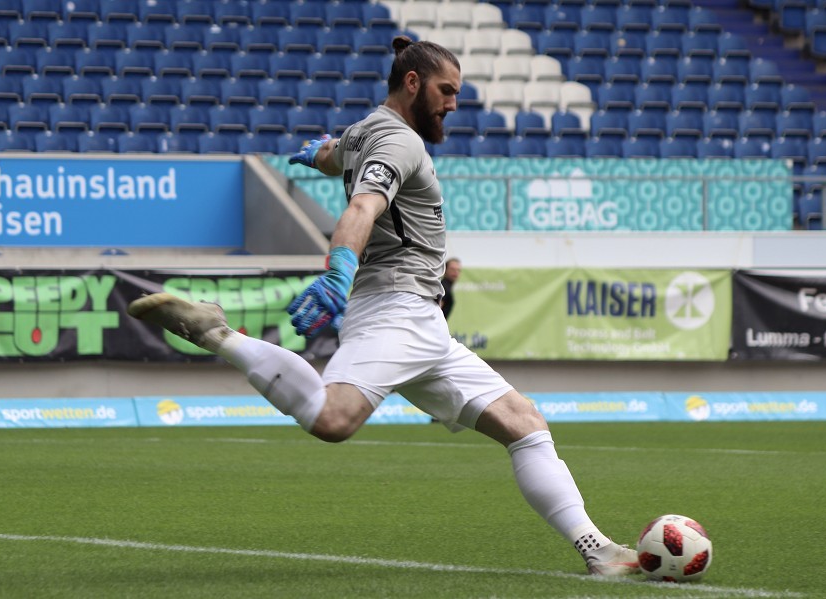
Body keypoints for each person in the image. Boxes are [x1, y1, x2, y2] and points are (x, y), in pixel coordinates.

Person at [127, 36, 638, 577]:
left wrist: (318, 153)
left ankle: (597, 549)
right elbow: (364, 205)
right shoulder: (400, 142)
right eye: (446, 91)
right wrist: (338, 270)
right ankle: (216, 333)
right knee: (333, 418)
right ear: (412, 82)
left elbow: (332, 155)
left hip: (422, 324)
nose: (453, 104)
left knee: (524, 421)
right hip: (398, 309)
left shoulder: (363, 133)